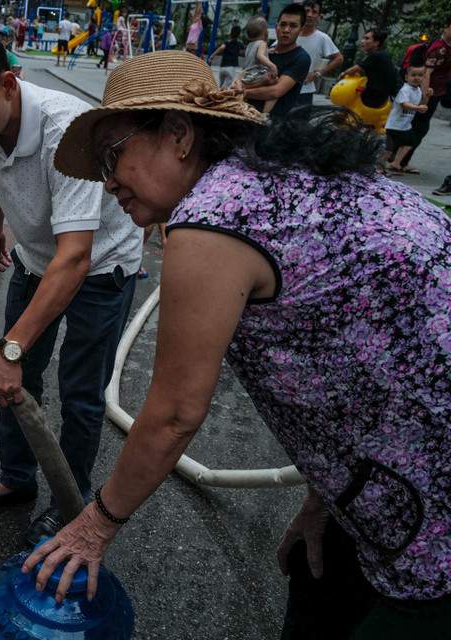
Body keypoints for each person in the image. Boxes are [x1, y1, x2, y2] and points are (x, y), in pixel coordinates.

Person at [25, 50, 451, 637]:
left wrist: (93, 526)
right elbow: (364, 353)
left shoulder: (214, 218)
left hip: (432, 510)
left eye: (112, 154)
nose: (108, 181)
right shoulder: (275, 178)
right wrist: (327, 496)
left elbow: (175, 413)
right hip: (391, 472)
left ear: (179, 135)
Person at [0, 21, 143, 548]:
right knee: (16, 384)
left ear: (8, 83)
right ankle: (15, 479)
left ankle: (71, 502)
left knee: (80, 394)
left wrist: (10, 349)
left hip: (100, 267)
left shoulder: (67, 131)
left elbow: (76, 256)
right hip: (36, 257)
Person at [234, 3, 309, 119]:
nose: (286, 30)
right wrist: (253, 84)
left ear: (301, 30)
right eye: (283, 24)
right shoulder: (265, 53)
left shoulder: (301, 58)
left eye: (293, 26)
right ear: (276, 27)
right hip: (244, 117)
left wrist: (241, 91)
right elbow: (237, 82)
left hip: (273, 124)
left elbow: (274, 92)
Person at [396, 18, 451, 174]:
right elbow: (427, 74)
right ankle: (400, 161)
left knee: (416, 126)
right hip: (429, 93)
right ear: (446, 27)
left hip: (434, 92)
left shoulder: (444, 46)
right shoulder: (440, 49)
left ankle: (398, 159)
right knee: (419, 127)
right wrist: (425, 97)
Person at [294, 0, 342, 107]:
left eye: (314, 12)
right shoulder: (291, 33)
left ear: (319, 16)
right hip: (282, 88)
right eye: (307, 11)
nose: (310, 15)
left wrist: (317, 74)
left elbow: (339, 58)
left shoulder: (322, 38)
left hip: (304, 92)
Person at [384, 65, 431, 175]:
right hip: (395, 124)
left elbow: (421, 106)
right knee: (389, 147)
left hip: (405, 125)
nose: (417, 78)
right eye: (413, 75)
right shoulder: (405, 90)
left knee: (410, 142)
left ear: (424, 78)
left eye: (420, 75)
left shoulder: (418, 90)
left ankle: (396, 162)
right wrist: (417, 108)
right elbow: (404, 104)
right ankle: (379, 166)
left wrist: (427, 97)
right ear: (406, 77)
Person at [337, 29, 397, 112]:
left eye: (367, 38)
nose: (362, 41)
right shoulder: (380, 54)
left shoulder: (376, 55)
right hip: (378, 94)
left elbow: (353, 70)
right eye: (363, 38)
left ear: (376, 43)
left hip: (374, 97)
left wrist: (342, 75)